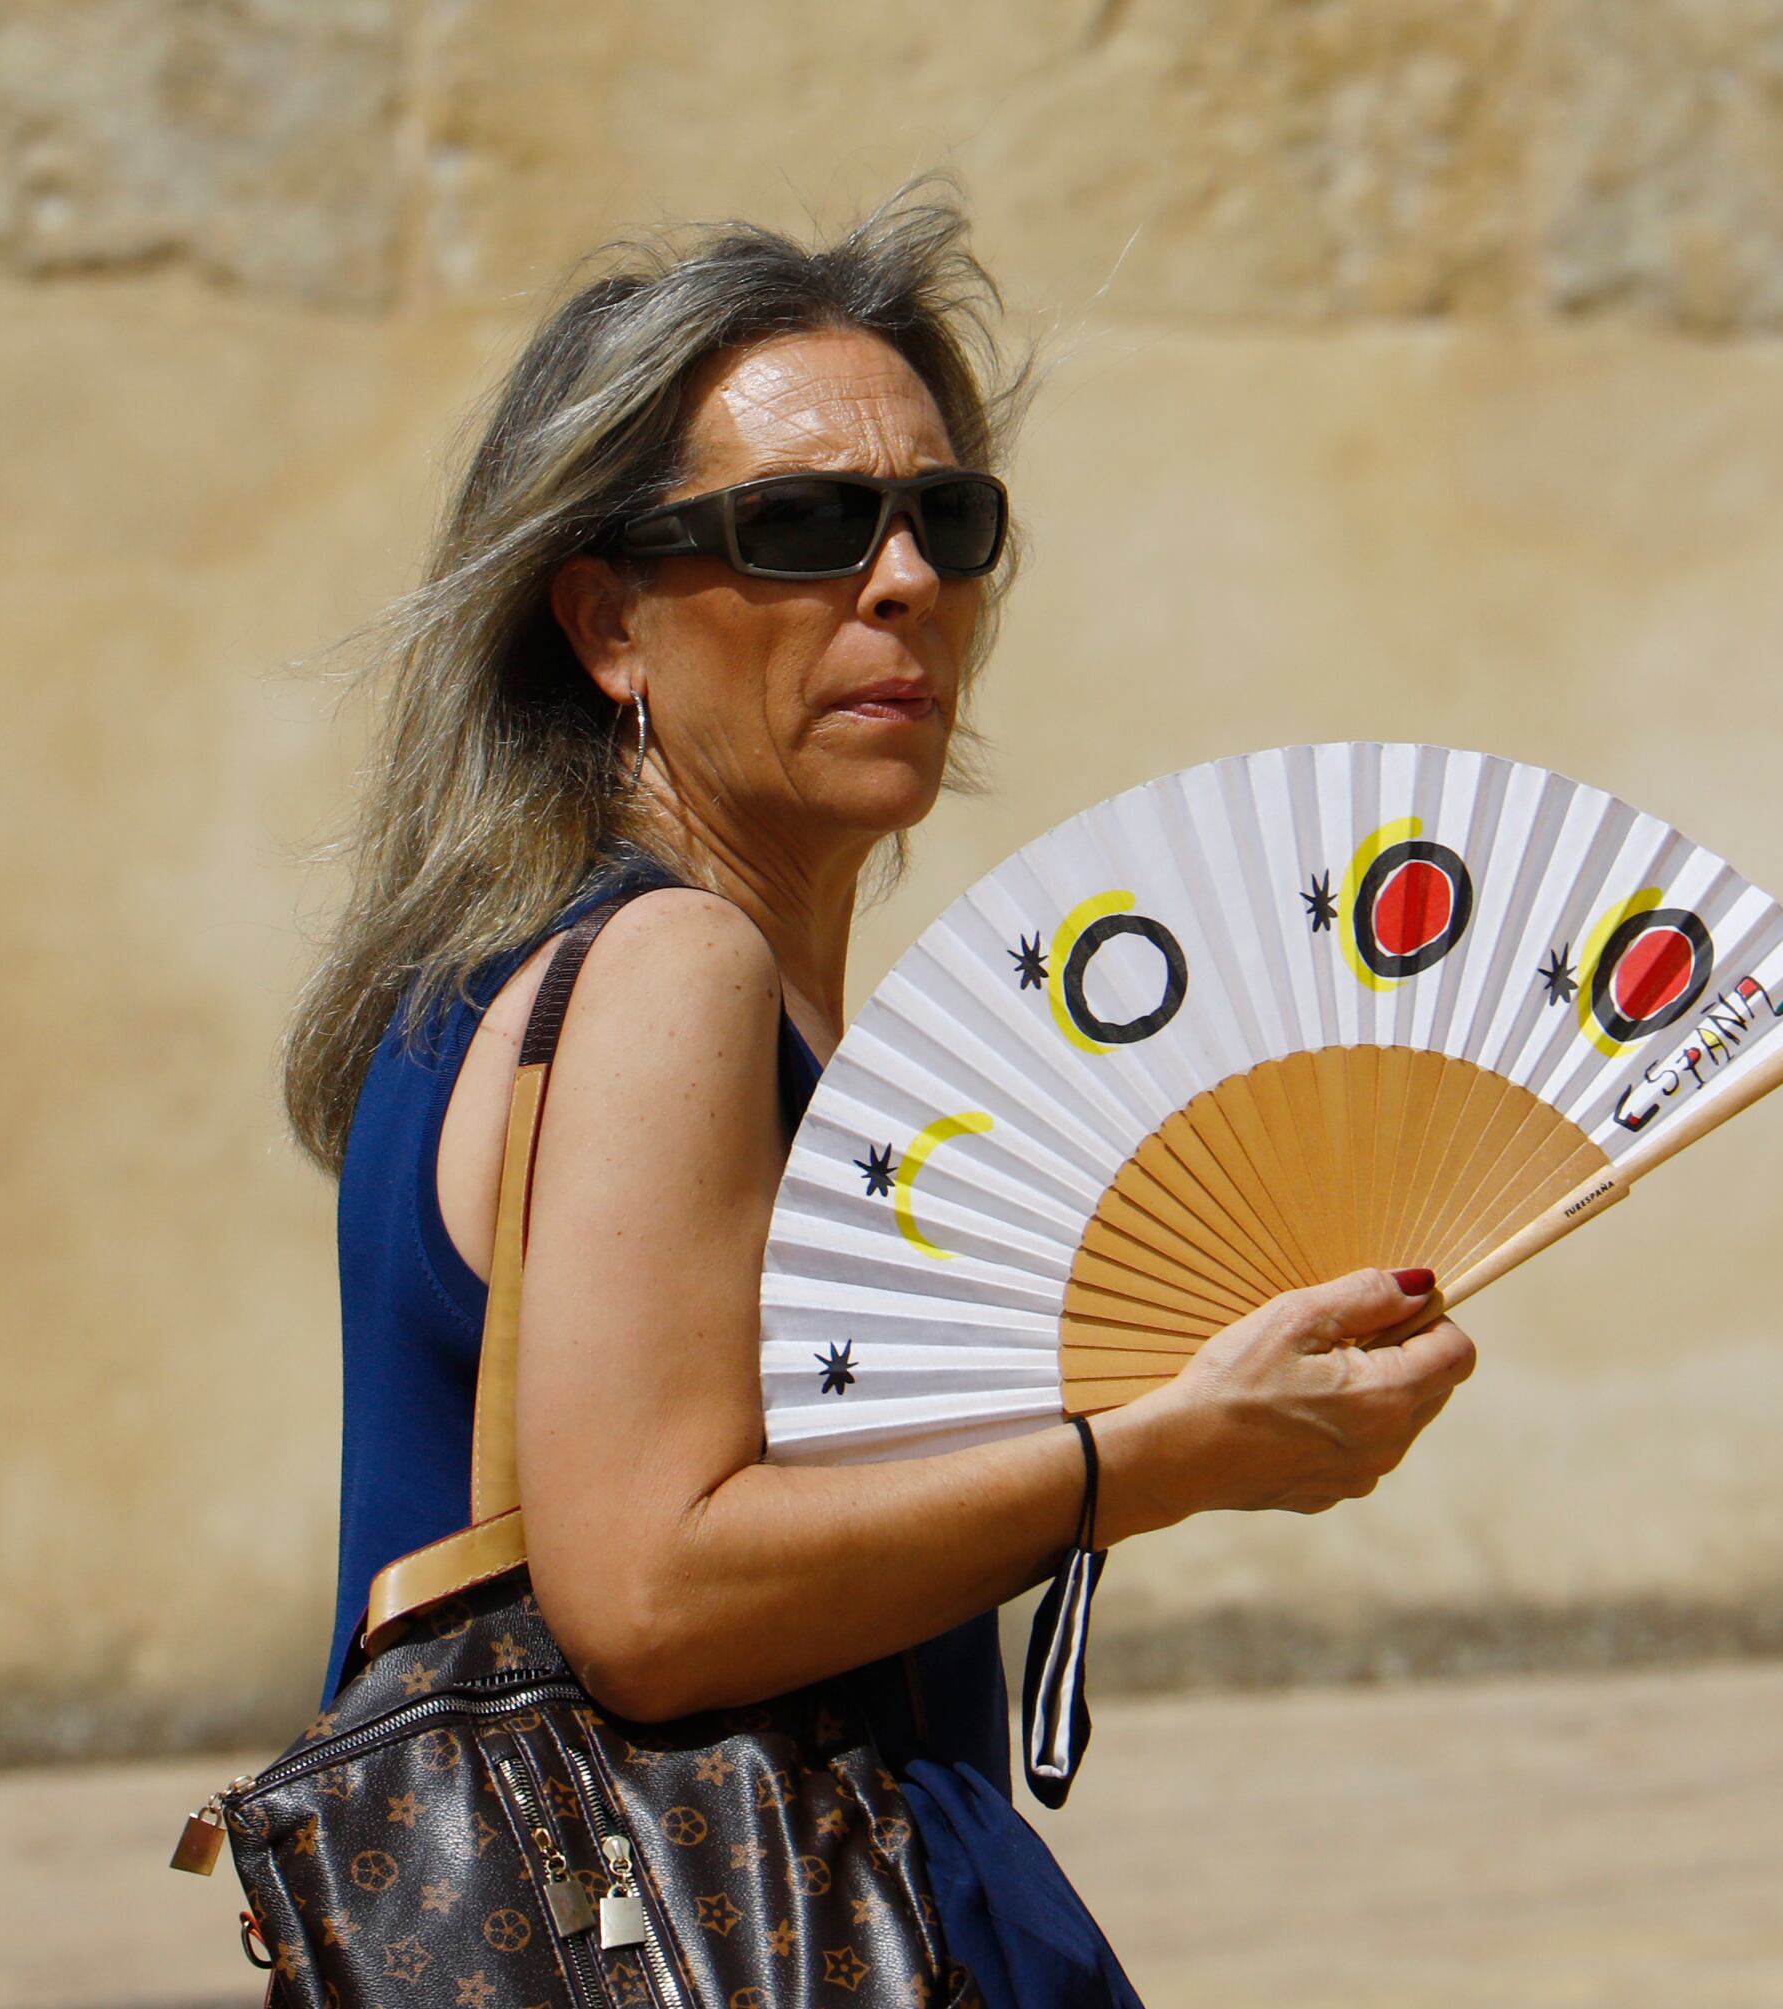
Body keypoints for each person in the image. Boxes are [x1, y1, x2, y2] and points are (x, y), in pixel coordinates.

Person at [279, 187, 1478, 2007]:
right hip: (725, 1923)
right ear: (607, 622)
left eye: (948, 517)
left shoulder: (495, 984)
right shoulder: (674, 974)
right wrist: (1154, 1461)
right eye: (803, 526)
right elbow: (651, 1596)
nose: (903, 579)